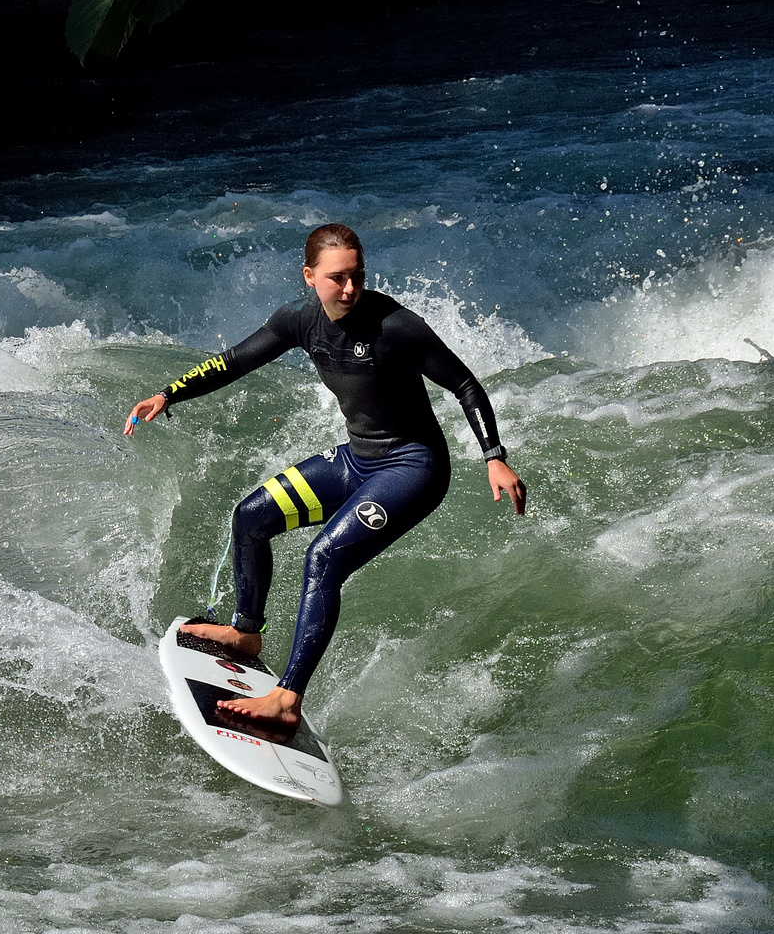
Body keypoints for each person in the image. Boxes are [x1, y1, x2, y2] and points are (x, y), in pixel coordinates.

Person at [124, 224, 525, 729]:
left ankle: (288, 699)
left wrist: (493, 455)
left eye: (357, 275)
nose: (351, 288)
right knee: (251, 518)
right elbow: (235, 361)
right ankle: (246, 633)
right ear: (310, 277)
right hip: (357, 461)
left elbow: (464, 382)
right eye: (338, 278)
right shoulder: (299, 320)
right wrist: (168, 393)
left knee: (324, 557)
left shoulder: (397, 326)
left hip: (413, 468)